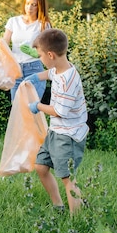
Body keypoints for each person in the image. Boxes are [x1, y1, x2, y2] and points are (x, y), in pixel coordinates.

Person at [25, 28, 89, 214]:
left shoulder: (68, 81)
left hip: (68, 135)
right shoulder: (59, 69)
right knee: (41, 166)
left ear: (50, 54)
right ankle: (58, 206)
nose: (40, 60)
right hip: (56, 132)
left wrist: (38, 106)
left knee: (67, 178)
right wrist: (36, 76)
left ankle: (76, 220)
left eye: (40, 56)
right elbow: (50, 74)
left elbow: (59, 111)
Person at [3, 0, 51, 100]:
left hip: (34, 70)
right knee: (17, 109)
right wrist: (8, 62)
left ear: (40, 6)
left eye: (34, 5)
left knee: (31, 109)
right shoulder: (13, 21)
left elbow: (47, 51)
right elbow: (4, 43)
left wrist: (35, 53)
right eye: (28, 3)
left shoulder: (43, 25)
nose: (30, 8)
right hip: (16, 70)